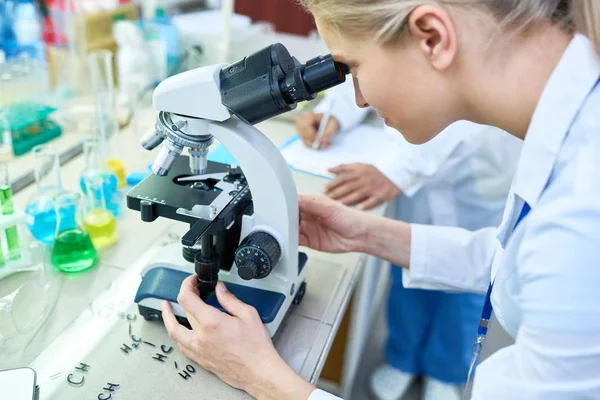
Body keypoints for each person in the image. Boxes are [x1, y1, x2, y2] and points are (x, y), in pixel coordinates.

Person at [161, 1, 600, 399]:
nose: (360, 99)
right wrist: (372, 234)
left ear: (432, 36)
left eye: (352, 67)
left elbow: (555, 258)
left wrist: (262, 377)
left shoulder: (580, 217)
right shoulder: (572, 130)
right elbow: (514, 261)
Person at [295, 80, 521, 400]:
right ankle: (402, 358)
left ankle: (445, 370)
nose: (363, 98)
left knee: (466, 295)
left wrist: (398, 171)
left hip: (478, 186)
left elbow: (465, 110)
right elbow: (362, 70)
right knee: (407, 278)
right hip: (419, 194)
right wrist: (336, 112)